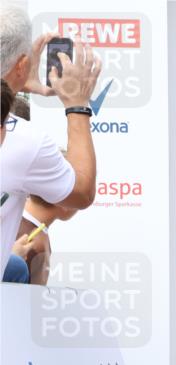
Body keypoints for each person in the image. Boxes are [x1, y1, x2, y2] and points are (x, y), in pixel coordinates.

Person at [1, 7, 101, 274]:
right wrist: (77, 105)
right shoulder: (24, 142)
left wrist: (14, 83)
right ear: (23, 65)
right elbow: (81, 192)